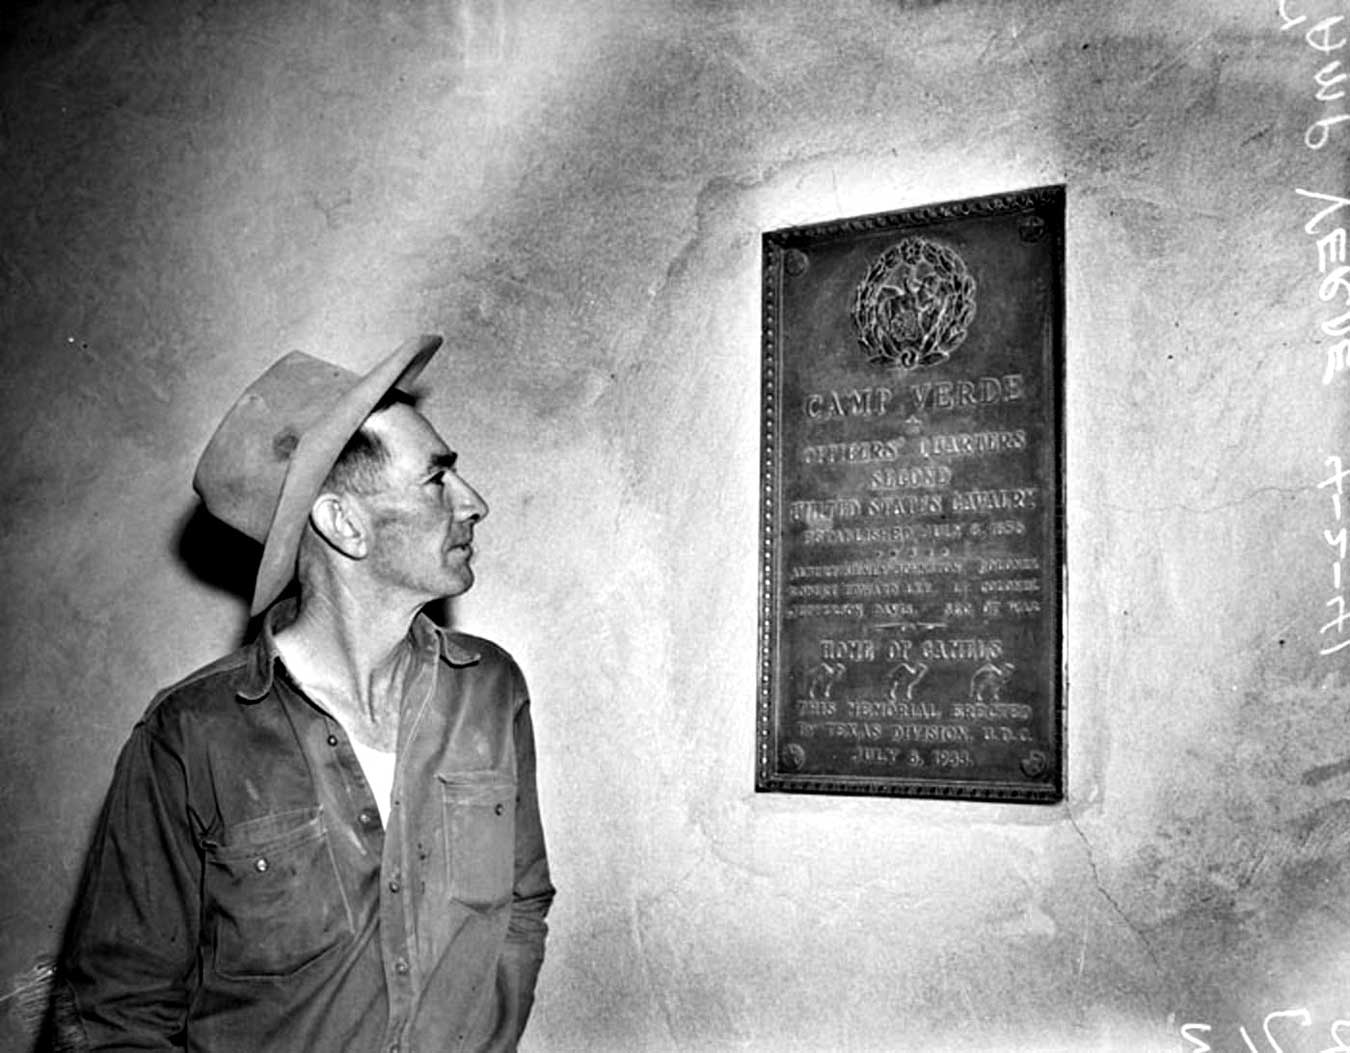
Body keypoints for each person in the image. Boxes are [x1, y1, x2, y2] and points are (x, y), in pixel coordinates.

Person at [50, 335, 553, 1052]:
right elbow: (115, 1013)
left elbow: (522, 903)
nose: (476, 504)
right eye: (437, 479)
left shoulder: (490, 690)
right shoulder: (190, 737)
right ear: (343, 523)